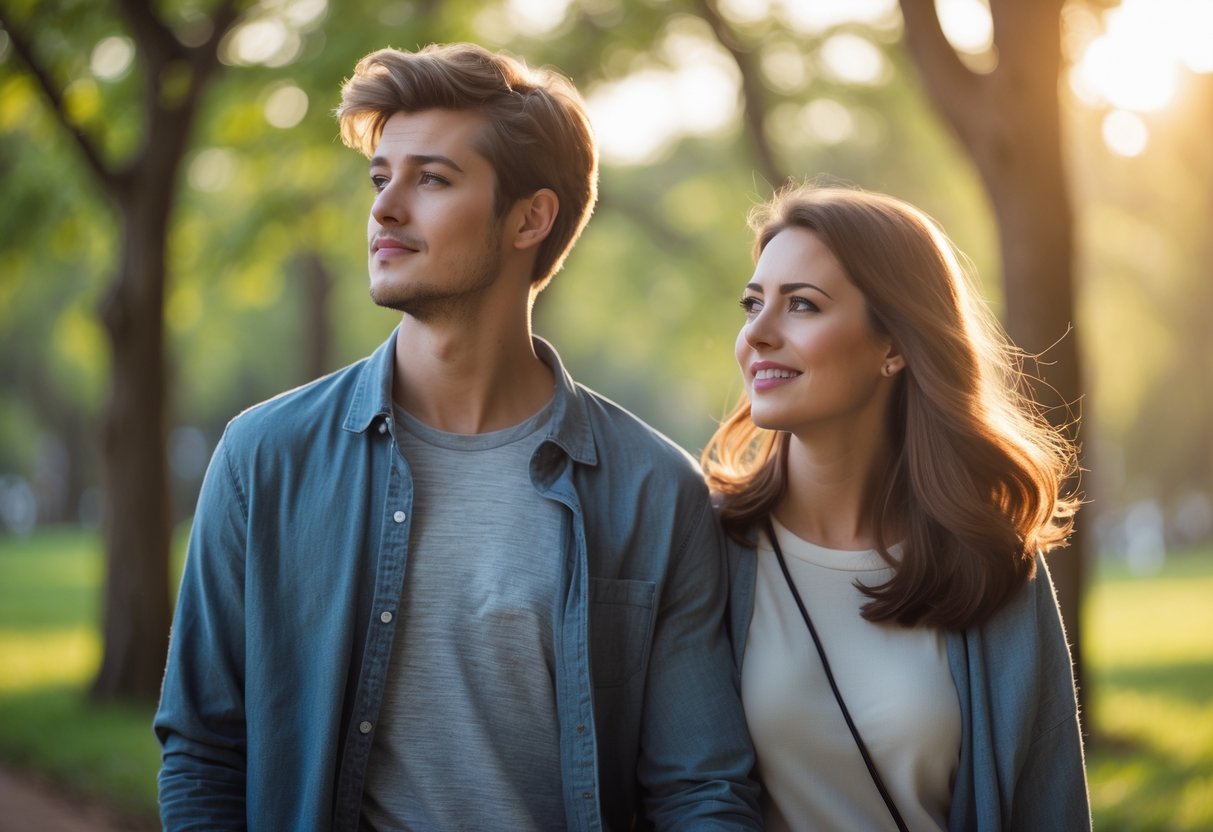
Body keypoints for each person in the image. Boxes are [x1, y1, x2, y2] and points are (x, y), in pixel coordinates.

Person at [154, 42, 760, 831]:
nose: (384, 208)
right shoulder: (263, 459)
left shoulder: (652, 490)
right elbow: (203, 752)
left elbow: (699, 789)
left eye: (430, 179)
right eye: (381, 179)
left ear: (530, 218)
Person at [701, 184, 1091, 831]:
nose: (757, 335)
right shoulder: (700, 544)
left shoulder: (990, 563)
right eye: (752, 304)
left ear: (894, 345)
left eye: (801, 305)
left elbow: (1048, 805)